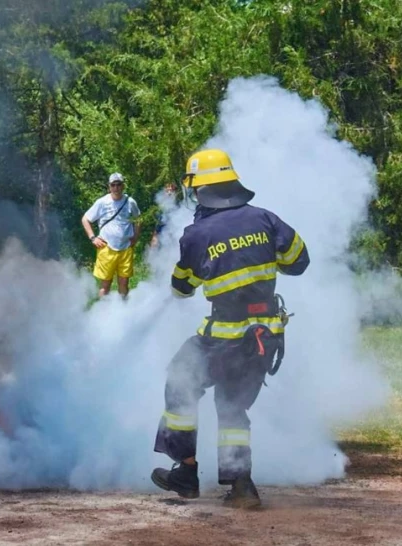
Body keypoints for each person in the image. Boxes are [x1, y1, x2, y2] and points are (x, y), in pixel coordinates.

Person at [150, 149, 310, 509]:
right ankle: (241, 486)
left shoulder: (197, 234)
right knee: (233, 407)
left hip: (223, 338)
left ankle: (185, 471)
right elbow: (298, 262)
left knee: (180, 380)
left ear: (202, 189)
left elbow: (181, 288)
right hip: (264, 337)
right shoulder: (266, 219)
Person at [82, 172, 141, 298]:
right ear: (109, 186)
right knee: (105, 284)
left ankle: (123, 311)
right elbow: (85, 219)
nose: (116, 188)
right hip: (106, 248)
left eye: (118, 184)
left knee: (124, 283)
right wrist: (93, 238)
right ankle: (103, 314)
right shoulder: (102, 202)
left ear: (123, 186)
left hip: (125, 248)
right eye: (113, 185)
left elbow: (138, 219)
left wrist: (135, 238)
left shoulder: (130, 202)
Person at [150, 183, 178, 248]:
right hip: (163, 241)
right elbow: (157, 227)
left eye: (172, 191)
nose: (169, 193)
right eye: (167, 191)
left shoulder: (181, 207)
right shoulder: (161, 209)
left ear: (176, 193)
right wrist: (154, 238)